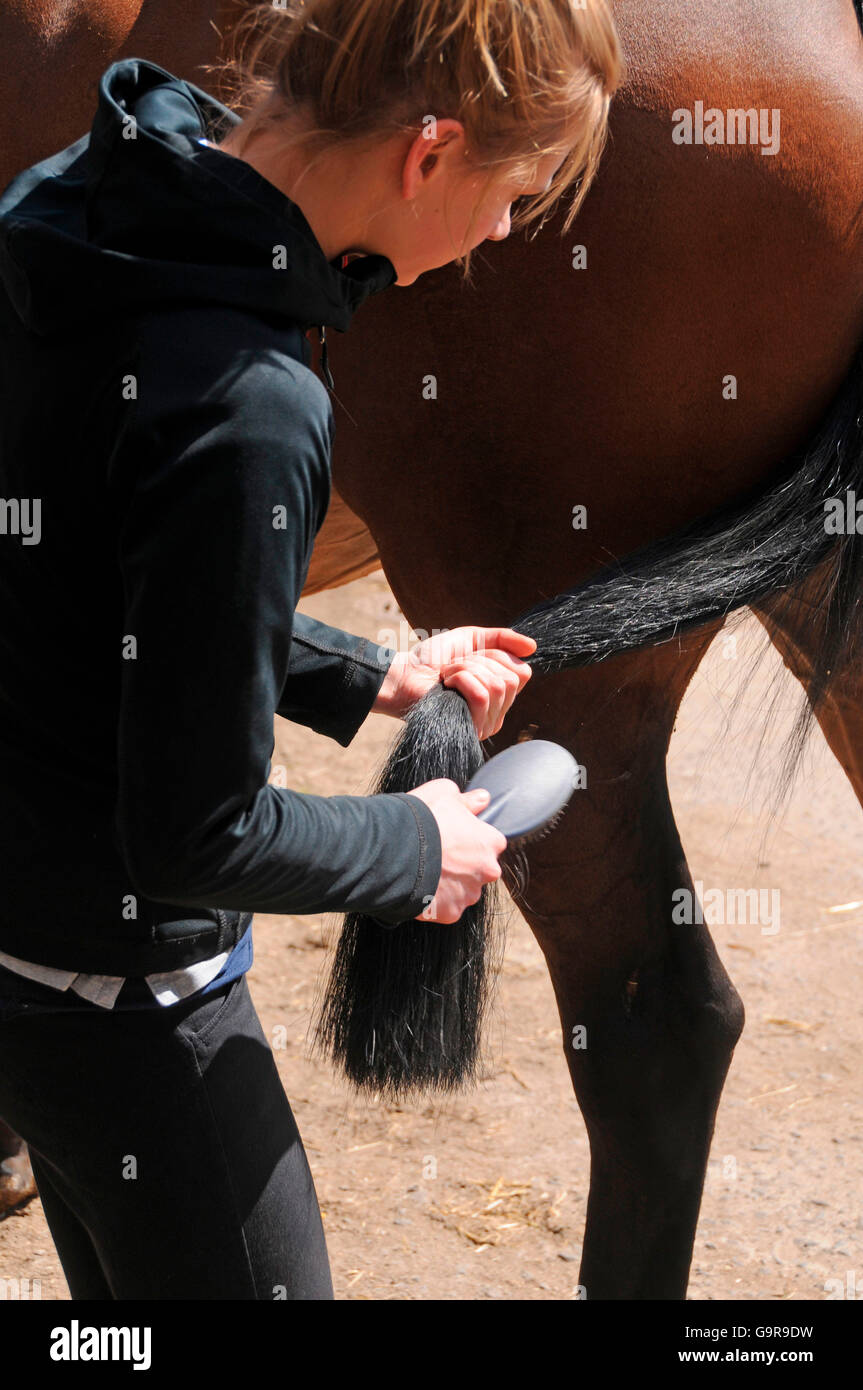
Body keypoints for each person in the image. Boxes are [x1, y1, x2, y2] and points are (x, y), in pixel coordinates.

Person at [0, 0, 622, 1298]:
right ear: (429, 154)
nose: (505, 232)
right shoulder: (253, 403)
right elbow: (196, 831)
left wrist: (367, 672)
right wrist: (421, 848)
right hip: (132, 1000)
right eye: (518, 193)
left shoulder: (74, 207)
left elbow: (97, 579)